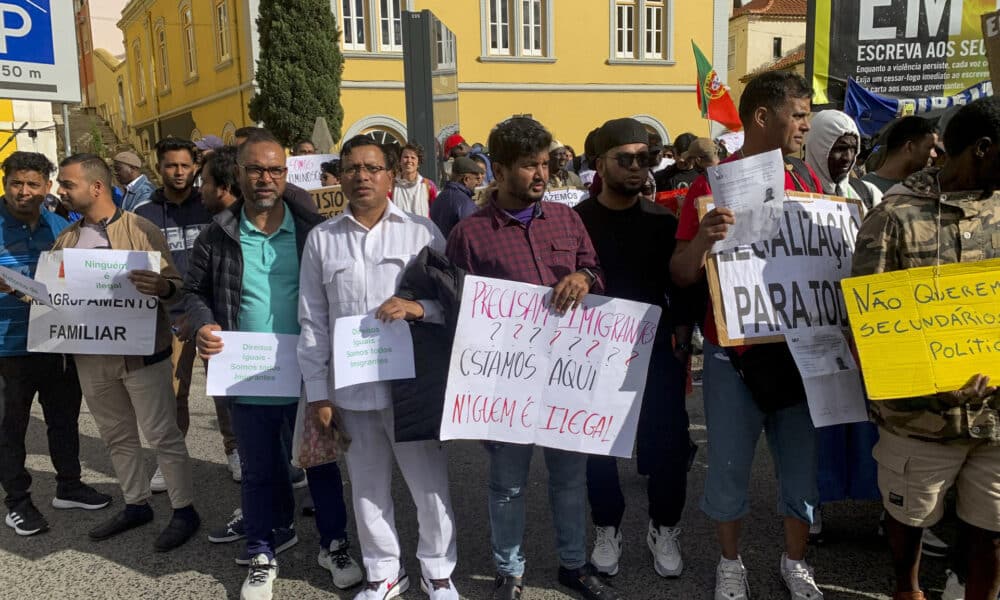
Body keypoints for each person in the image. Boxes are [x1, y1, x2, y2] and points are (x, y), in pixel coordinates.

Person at [446, 117, 618, 600]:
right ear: (499, 170)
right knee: (507, 484)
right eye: (528, 166)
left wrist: (584, 278)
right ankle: (510, 571)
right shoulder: (470, 234)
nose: (541, 174)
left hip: (566, 377)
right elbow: (459, 312)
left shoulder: (567, 218)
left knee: (568, 478)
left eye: (545, 164)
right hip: (506, 384)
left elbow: (596, 271)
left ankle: (573, 564)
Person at [670, 71, 825, 600]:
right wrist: (704, 242)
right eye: (799, 113)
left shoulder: (809, 182)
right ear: (764, 116)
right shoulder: (710, 185)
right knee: (730, 466)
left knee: (801, 468)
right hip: (731, 355)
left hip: (800, 353)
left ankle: (795, 563)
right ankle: (730, 563)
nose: (807, 124)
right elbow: (682, 273)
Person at [186, 131, 361, 600]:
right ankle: (263, 552)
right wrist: (202, 325)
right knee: (260, 471)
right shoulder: (217, 234)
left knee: (321, 466)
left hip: (308, 373)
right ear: (239, 174)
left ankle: (334, 545)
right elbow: (193, 292)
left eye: (275, 169)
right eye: (256, 169)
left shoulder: (312, 230)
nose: (266, 178)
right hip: (247, 372)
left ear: (286, 174)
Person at [298, 134, 459, 600]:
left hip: (411, 388)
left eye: (372, 168)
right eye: (352, 168)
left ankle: (438, 571)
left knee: (428, 486)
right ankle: (385, 573)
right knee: (367, 488)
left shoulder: (422, 233)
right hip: (352, 388)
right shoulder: (321, 240)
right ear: (340, 176)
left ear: (392, 175)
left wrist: (417, 309)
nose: (362, 176)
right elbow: (312, 321)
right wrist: (319, 395)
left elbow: (452, 303)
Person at [852, 96, 1000, 600]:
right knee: (909, 517)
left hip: (996, 419)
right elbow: (866, 322)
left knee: (991, 530)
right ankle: (907, 590)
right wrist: (928, 383)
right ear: (981, 149)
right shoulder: (894, 216)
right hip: (919, 420)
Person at [53, 153, 200, 551]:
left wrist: (161, 287)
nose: (60, 190)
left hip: (142, 354)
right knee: (116, 435)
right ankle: (136, 503)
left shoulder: (141, 229)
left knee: (162, 435)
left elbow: (175, 285)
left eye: (67, 184)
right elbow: (55, 297)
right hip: (90, 357)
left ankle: (183, 509)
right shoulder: (65, 239)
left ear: (96, 187)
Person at [574, 118, 695, 580]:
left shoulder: (663, 220)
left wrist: (683, 333)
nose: (636, 168)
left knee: (667, 443)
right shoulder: (576, 221)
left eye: (645, 159)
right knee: (598, 445)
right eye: (624, 159)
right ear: (599, 163)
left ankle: (665, 527)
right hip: (593, 352)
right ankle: (607, 527)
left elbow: (683, 281)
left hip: (656, 349)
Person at [0, 152, 112, 537]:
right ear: (5, 183)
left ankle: (69, 485)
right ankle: (17, 502)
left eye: (33, 184)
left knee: (63, 418)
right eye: (16, 183)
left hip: (56, 340)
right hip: (7, 347)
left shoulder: (61, 226)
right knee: (9, 428)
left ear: (47, 187)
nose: (24, 192)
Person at [136, 138, 225, 487]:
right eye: (171, 165)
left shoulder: (211, 206)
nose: (178, 172)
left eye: (185, 165)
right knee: (173, 393)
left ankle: (234, 450)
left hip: (210, 313)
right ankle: (171, 459)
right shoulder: (144, 213)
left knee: (225, 388)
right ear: (158, 166)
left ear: (195, 167)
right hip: (169, 317)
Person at [862, 116, 938, 193]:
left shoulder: (925, 189)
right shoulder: (862, 189)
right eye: (930, 148)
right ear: (910, 147)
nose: (935, 155)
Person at [428, 156, 484, 239]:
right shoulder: (464, 203)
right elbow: (474, 236)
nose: (478, 182)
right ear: (466, 179)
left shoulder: (440, 197)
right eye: (476, 178)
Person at [391, 142, 438, 217]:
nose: (409, 160)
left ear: (418, 162)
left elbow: (437, 213)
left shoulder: (428, 186)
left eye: (413, 157)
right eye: (405, 157)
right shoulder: (390, 186)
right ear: (400, 161)